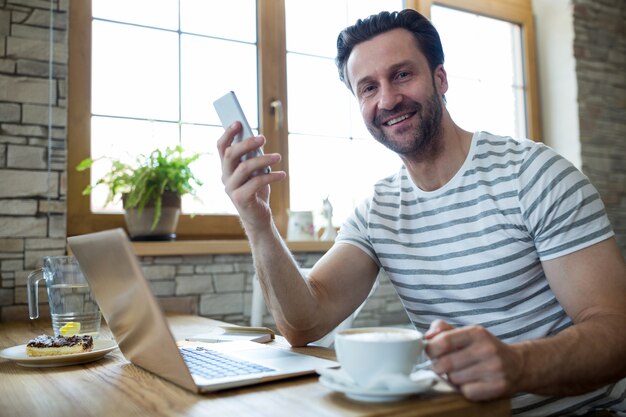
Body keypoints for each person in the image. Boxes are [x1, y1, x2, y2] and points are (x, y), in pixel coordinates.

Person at [217, 9, 626, 416]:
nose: (388, 100)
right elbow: (304, 323)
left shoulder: (534, 175)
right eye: (368, 88)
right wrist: (258, 221)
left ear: (440, 78)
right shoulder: (377, 211)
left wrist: (518, 364)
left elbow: (616, 331)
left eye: (401, 75)